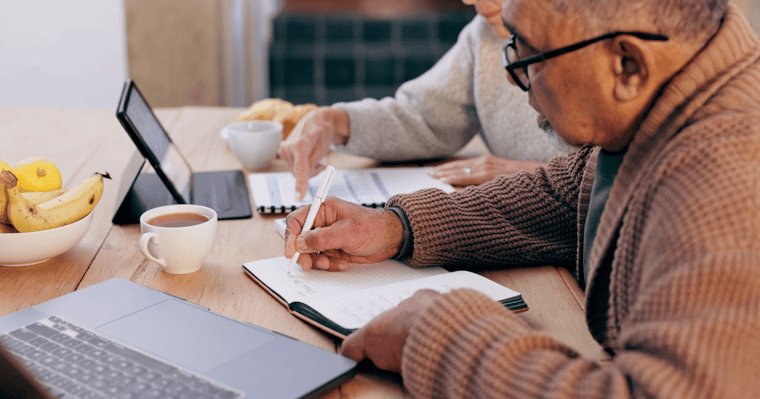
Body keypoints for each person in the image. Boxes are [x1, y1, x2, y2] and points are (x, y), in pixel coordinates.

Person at [283, 0, 760, 397]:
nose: (514, 79)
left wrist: (440, 334)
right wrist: (395, 226)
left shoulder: (731, 183)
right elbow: (567, 190)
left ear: (628, 65)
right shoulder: (673, 103)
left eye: (530, 56)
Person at [277, 0, 579, 201]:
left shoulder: (599, 46)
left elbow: (618, 177)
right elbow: (422, 116)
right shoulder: (484, 35)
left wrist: (534, 177)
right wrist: (335, 122)